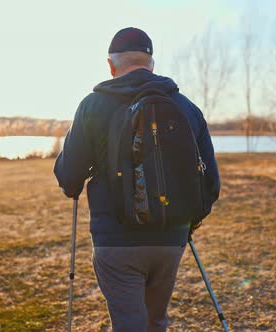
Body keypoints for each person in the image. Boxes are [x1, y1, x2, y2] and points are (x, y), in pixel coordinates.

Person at [54, 27, 220, 332]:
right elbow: (211, 185)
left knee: (129, 325)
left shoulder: (92, 106)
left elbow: (69, 179)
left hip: (116, 242)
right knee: (155, 321)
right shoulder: (187, 108)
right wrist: (185, 224)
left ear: (110, 64)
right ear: (152, 64)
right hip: (171, 239)